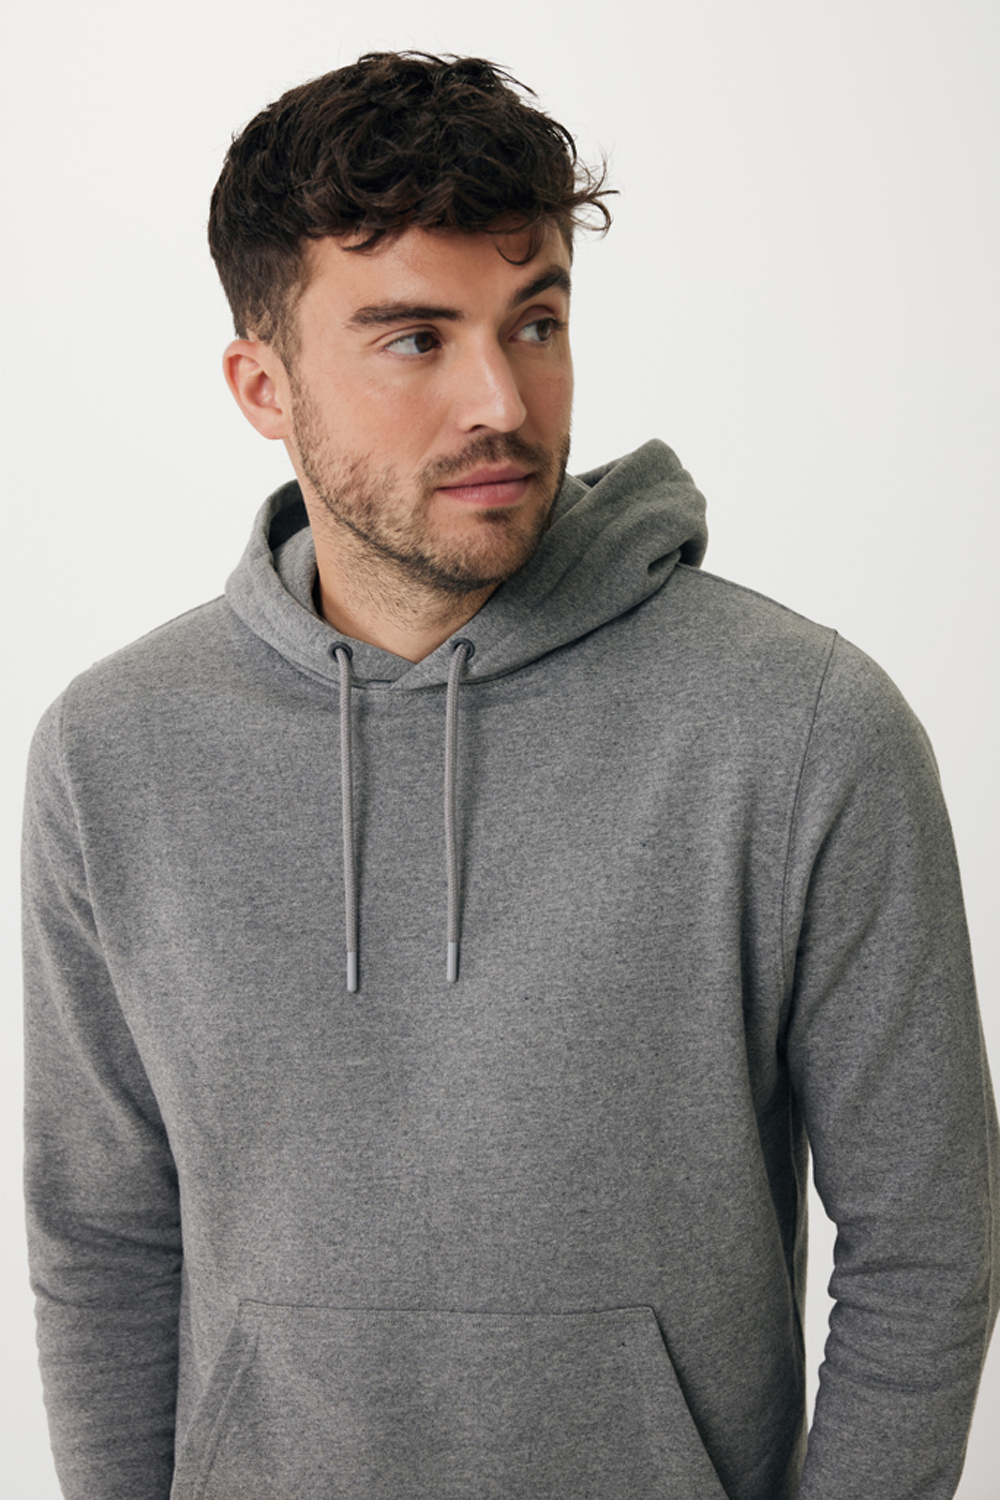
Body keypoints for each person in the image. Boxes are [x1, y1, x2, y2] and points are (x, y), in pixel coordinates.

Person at [22, 50, 997, 1500]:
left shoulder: (801, 728)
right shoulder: (112, 755)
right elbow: (103, 1243)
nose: (503, 398)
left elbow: (928, 1246)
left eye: (535, 322)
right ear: (262, 386)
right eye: (416, 339)